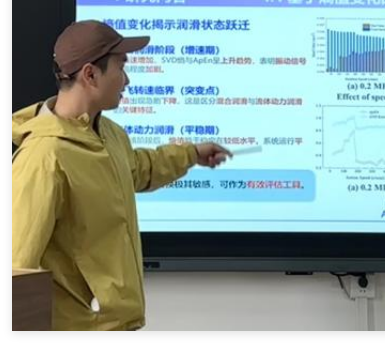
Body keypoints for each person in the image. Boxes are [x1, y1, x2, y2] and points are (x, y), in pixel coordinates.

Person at [12, 20, 232, 331]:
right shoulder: (44, 157)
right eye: (121, 67)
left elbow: (137, 168)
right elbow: (17, 267)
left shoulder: (108, 134)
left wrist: (192, 154)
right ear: (90, 74)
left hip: (117, 324)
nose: (127, 79)